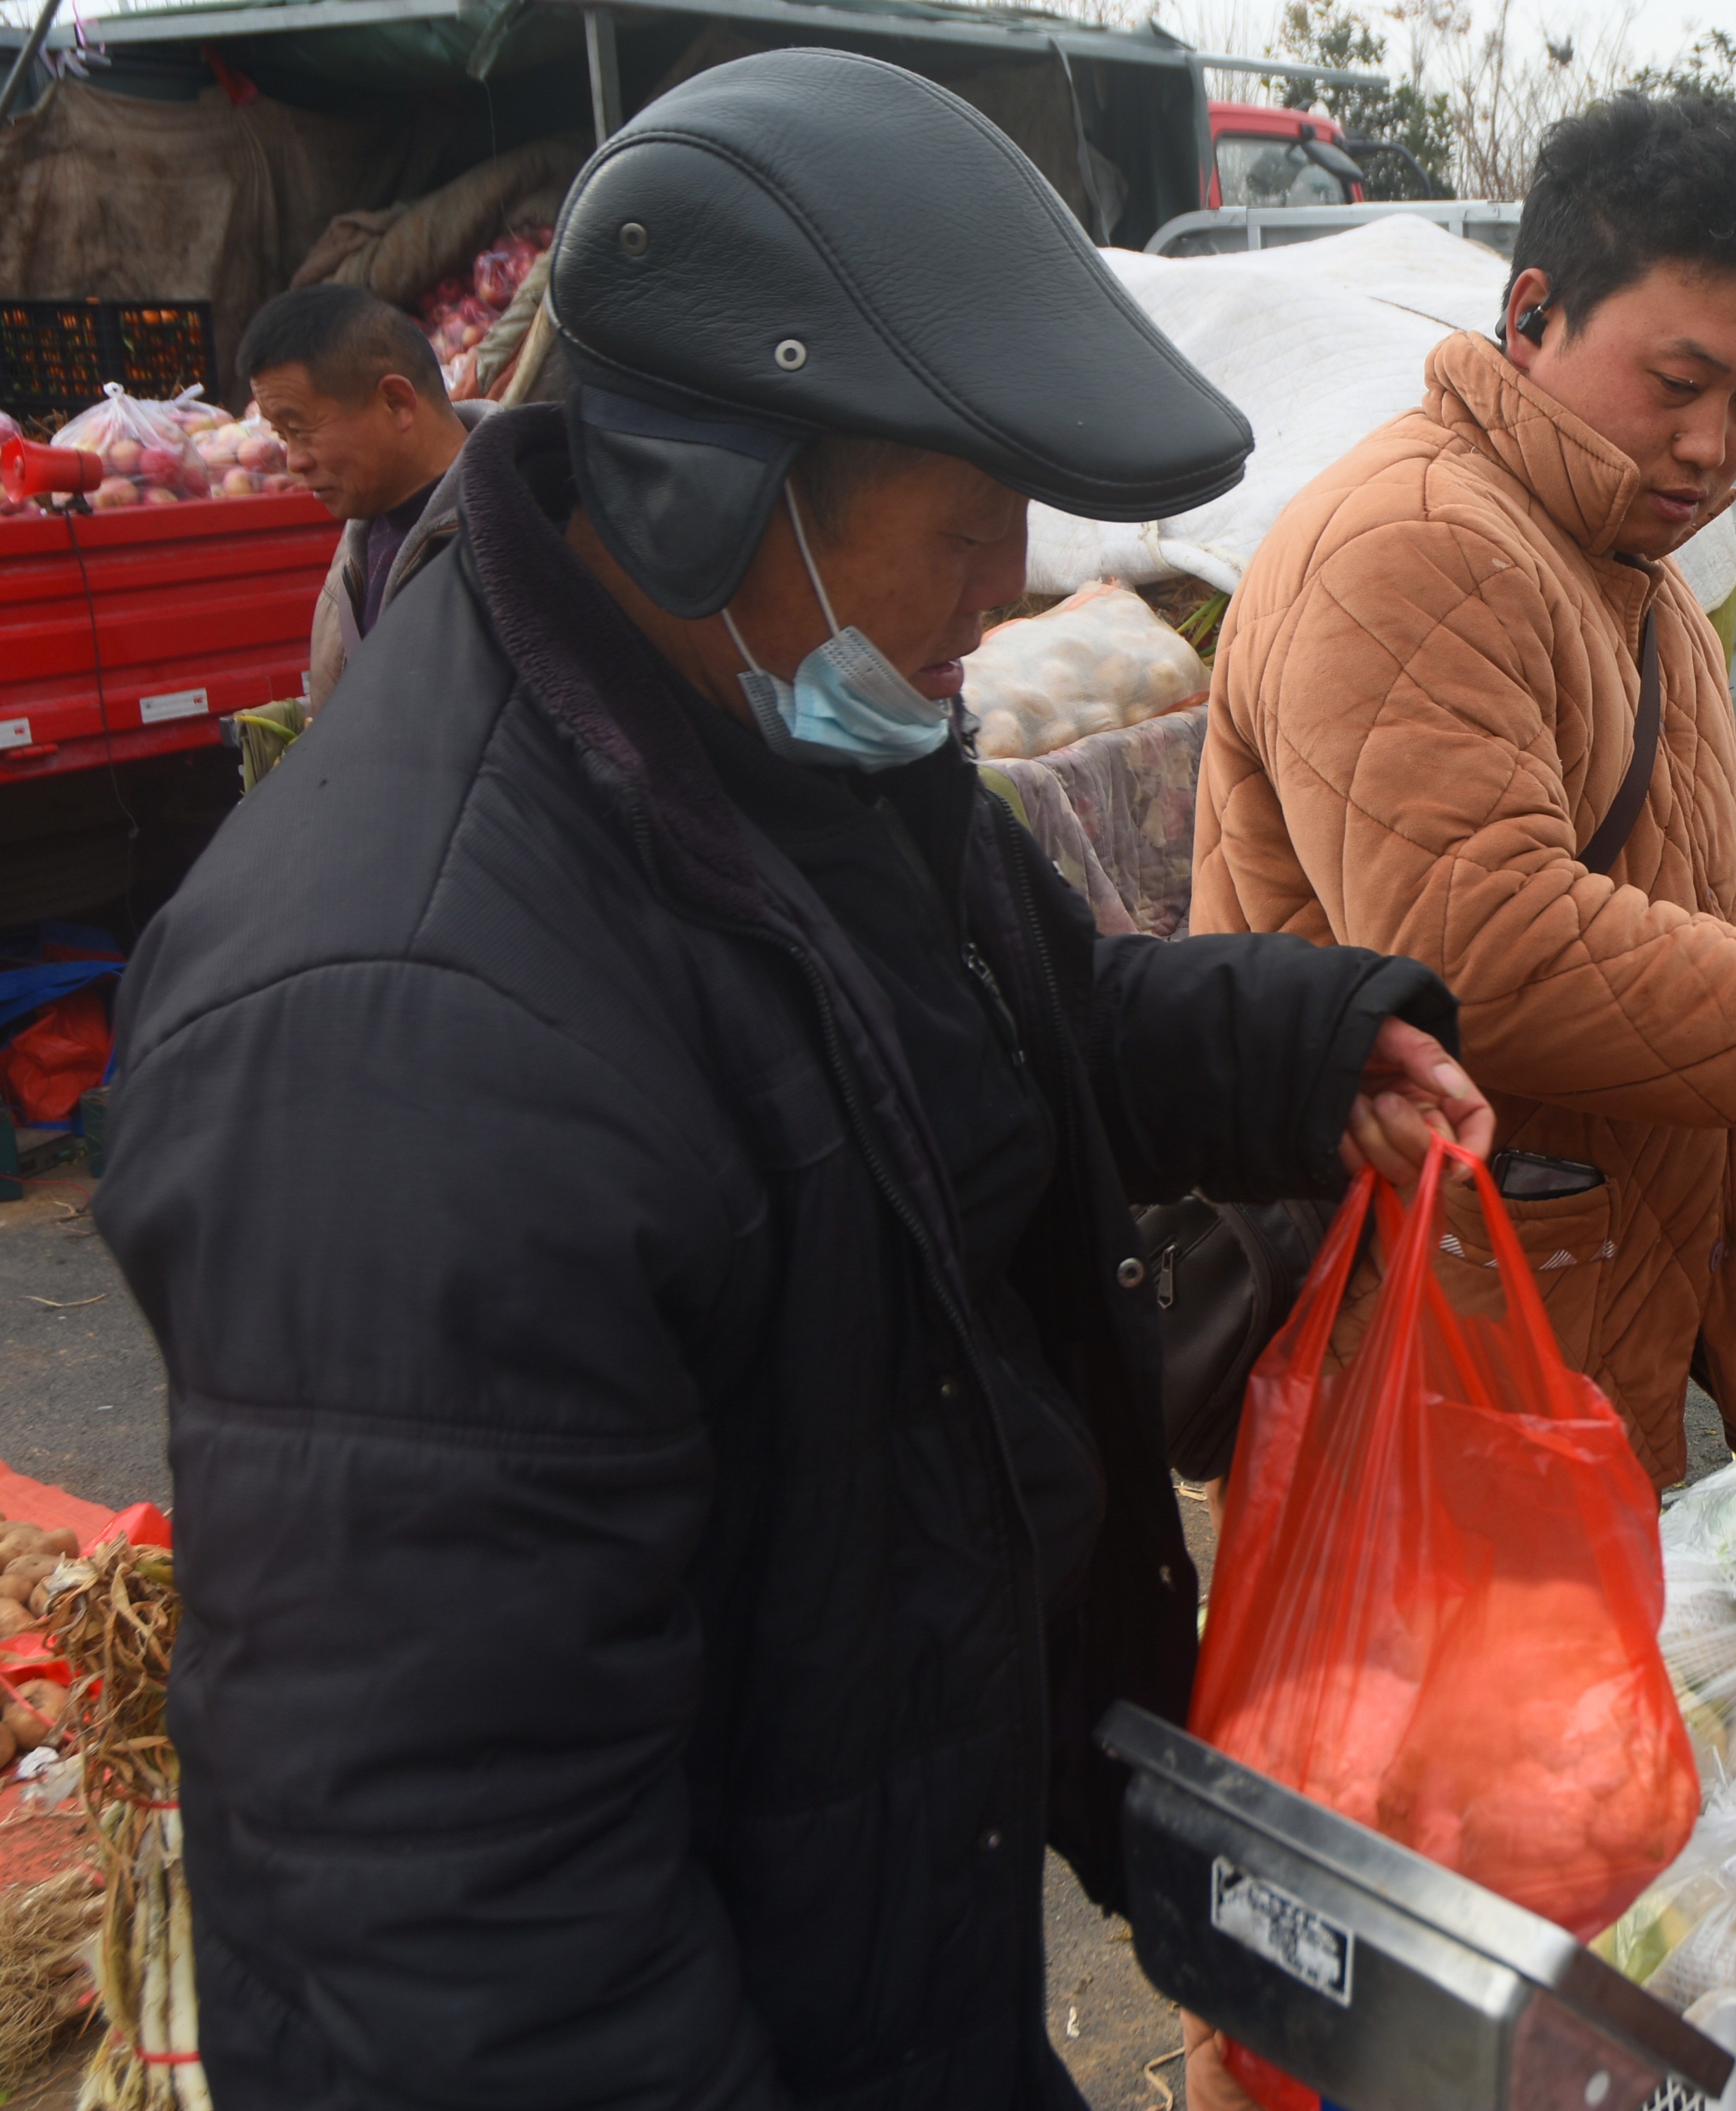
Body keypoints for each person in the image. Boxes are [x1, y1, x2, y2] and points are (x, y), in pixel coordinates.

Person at [99, 51, 1485, 2108]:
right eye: (959, 521)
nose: (1005, 584)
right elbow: (462, 1928)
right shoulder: (404, 1037)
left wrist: (1301, 1040)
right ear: (704, 488)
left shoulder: (797, 744)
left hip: (883, 1904)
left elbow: (1021, 1021)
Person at [1195, 93, 1736, 1489]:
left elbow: (1662, 903)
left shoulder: (1633, 574)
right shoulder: (1420, 549)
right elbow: (1477, 954)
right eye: (1676, 386)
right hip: (1432, 1342)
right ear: (1534, 313)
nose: (1711, 446)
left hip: (1560, 1299)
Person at [239, 284, 485, 714]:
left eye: (301, 430)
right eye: (281, 437)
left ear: (396, 402)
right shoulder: (356, 544)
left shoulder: (517, 533)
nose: (293, 461)